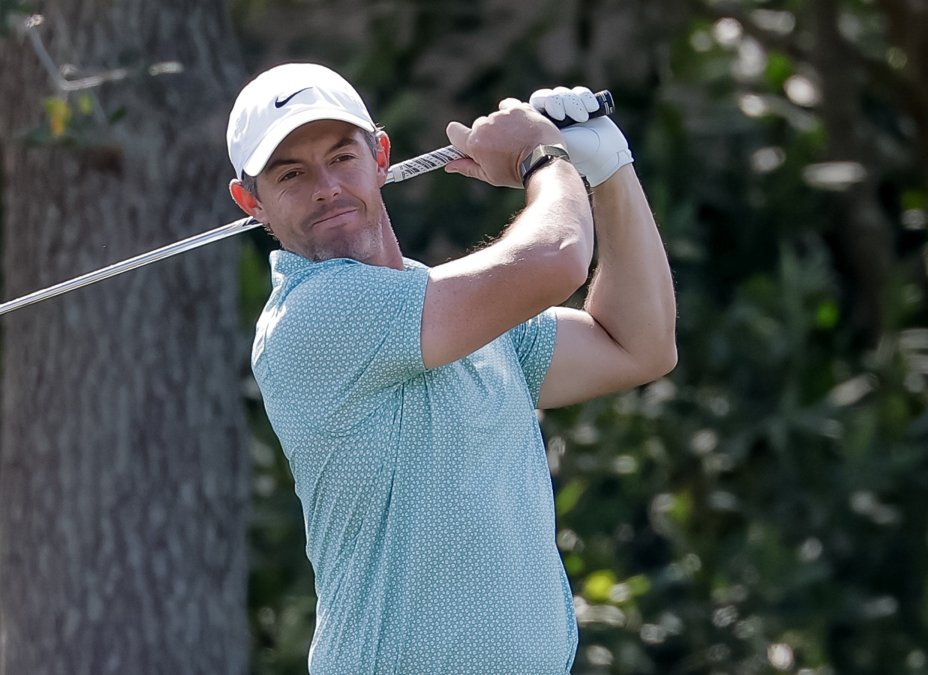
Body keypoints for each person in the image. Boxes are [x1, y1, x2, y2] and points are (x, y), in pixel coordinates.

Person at [226, 62, 676, 674]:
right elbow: (556, 258)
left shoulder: (457, 314)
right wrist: (543, 158)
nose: (326, 187)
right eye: (291, 174)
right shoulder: (311, 317)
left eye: (342, 157)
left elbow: (637, 345)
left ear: (380, 157)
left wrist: (610, 169)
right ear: (250, 202)